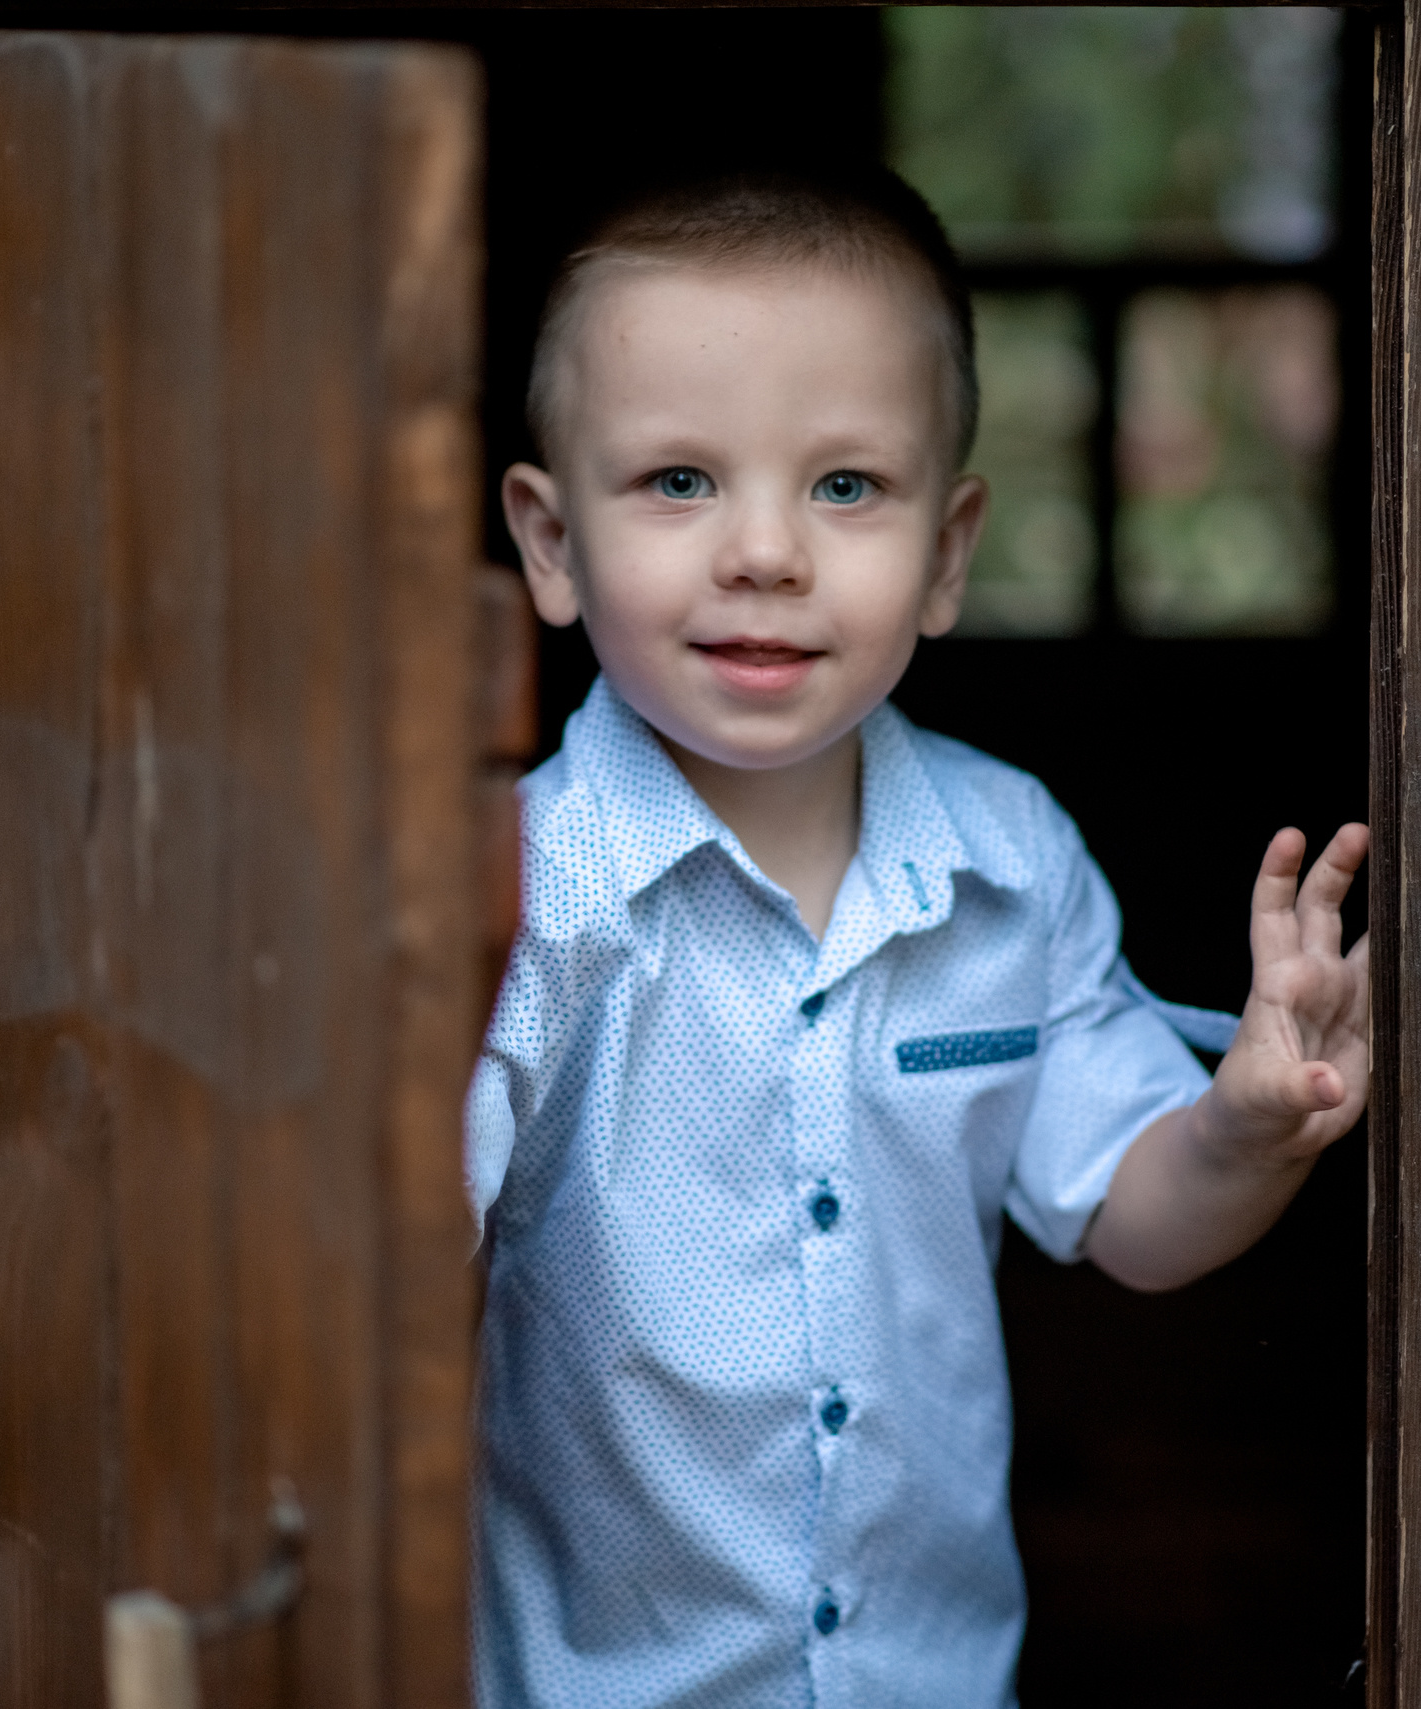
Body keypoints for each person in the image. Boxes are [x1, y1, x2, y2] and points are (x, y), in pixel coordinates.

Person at [468, 165, 1371, 1708]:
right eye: (680, 480)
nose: (765, 550)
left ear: (949, 552)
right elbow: (391, 1264)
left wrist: (1248, 1124)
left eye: (845, 487)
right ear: (551, 543)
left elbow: (1129, 1212)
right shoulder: (520, 891)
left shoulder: (1007, 861)